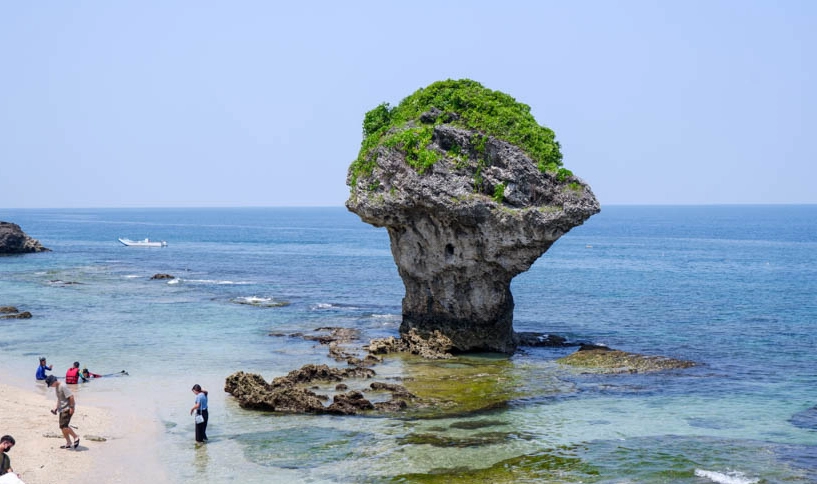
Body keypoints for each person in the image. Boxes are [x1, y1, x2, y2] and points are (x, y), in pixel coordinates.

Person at [45, 375, 79, 449]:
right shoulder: (57, 387)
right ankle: (68, 442)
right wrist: (56, 408)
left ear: (54, 381)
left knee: (64, 426)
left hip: (67, 408)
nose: (50, 386)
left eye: (50, 384)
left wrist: (72, 408)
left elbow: (71, 397)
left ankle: (76, 437)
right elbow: (59, 399)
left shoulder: (63, 386)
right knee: (62, 427)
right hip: (62, 409)